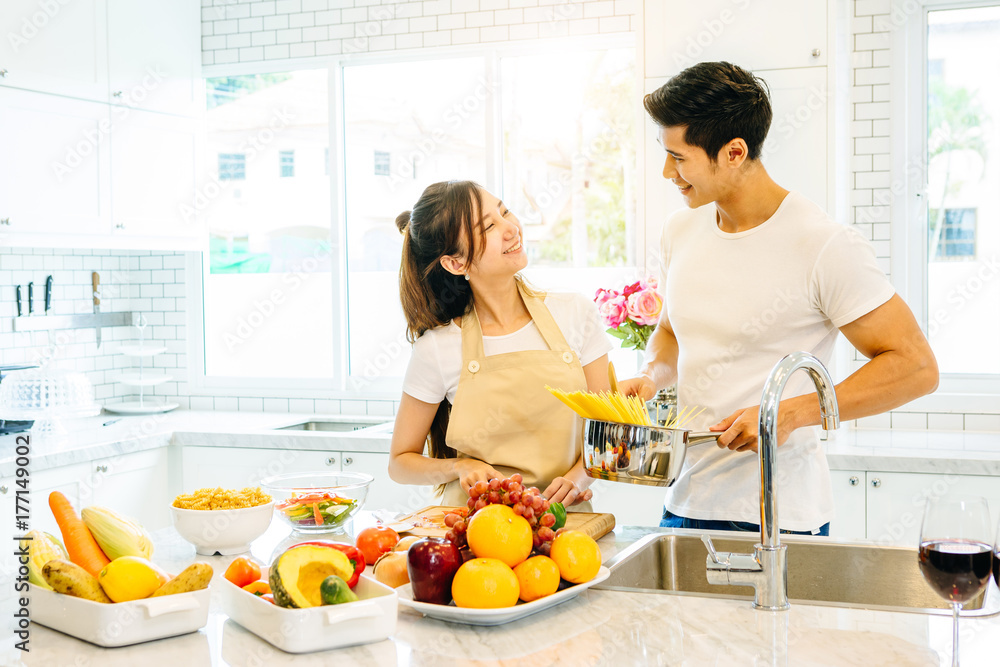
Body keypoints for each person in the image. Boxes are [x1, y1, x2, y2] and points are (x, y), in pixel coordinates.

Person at [621, 62, 939, 535]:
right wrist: (651, 375)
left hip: (780, 516)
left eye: (679, 158)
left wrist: (786, 414)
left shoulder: (823, 244)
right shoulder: (680, 230)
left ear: (733, 152)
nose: (668, 172)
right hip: (685, 504)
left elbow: (916, 367)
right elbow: (669, 332)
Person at [387, 181, 612, 509]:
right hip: (474, 526)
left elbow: (605, 432)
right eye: (489, 226)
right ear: (456, 263)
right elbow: (400, 462)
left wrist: (578, 479)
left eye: (504, 211)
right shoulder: (438, 348)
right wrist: (458, 466)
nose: (511, 228)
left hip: (562, 518)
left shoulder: (576, 313)